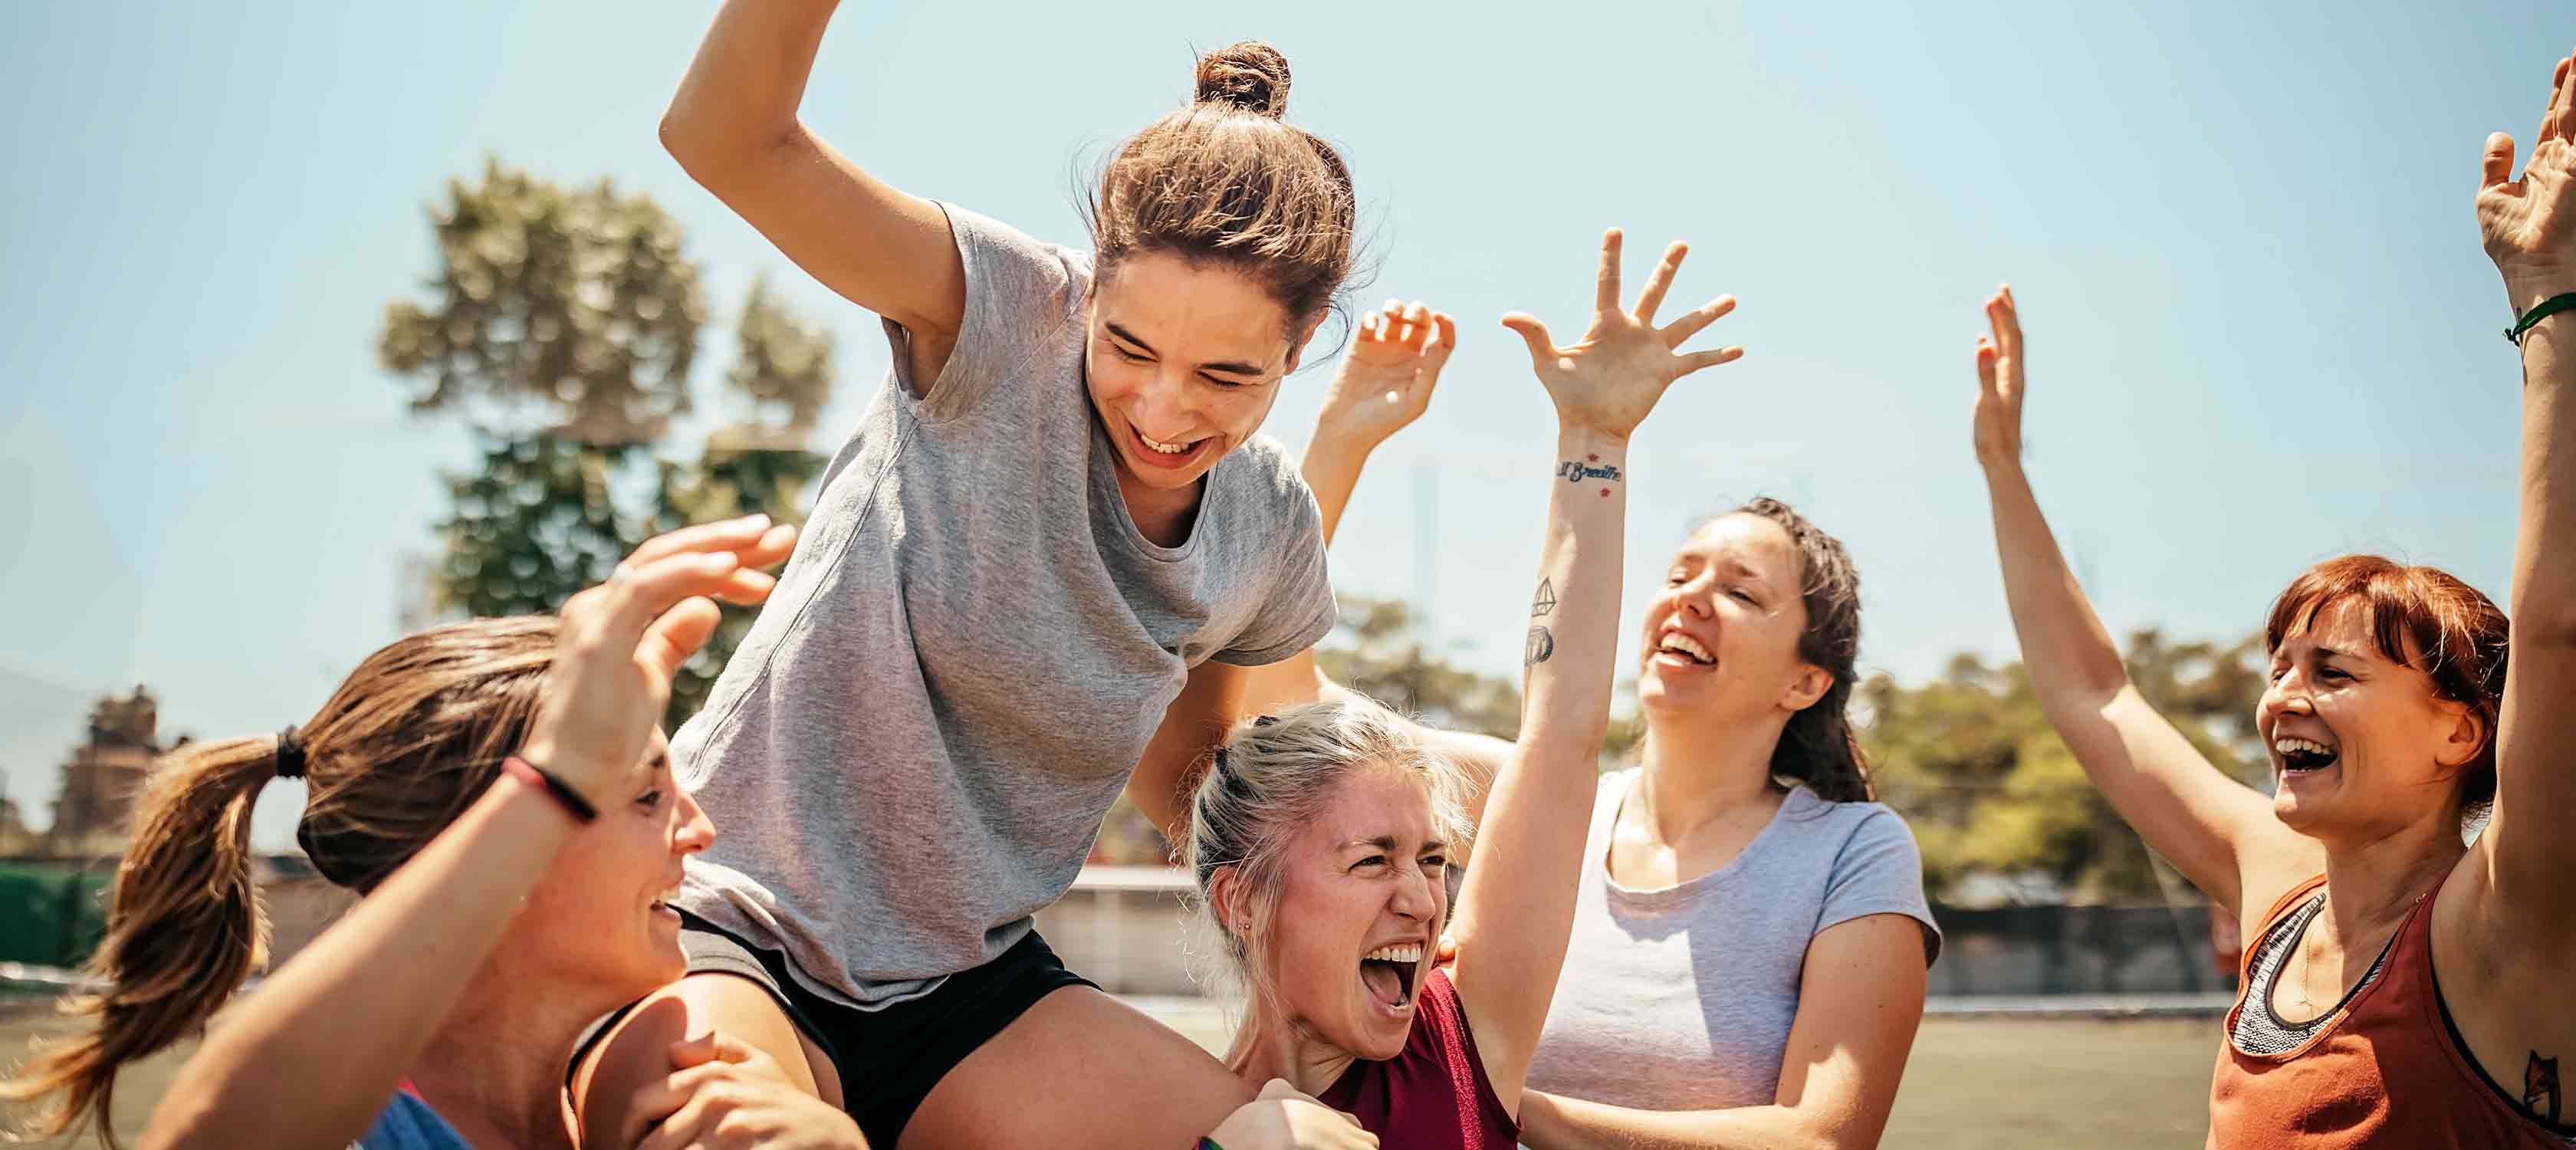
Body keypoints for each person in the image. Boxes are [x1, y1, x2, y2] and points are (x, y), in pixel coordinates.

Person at [596, 3, 1393, 1145]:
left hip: (968, 989)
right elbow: (727, 138)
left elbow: (1200, 784)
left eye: (1226, 375)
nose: (1165, 410)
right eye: (1127, 348)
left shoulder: (1264, 526)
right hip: (745, 925)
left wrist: (1417, 852)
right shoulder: (1002, 318)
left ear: (1301, 343)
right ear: (1087, 292)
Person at [1969, 51, 2576, 1146]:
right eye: (2281, 667)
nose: (2283, 698)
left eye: (2333, 671)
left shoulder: (2505, 925)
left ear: (2458, 730)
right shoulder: (2280, 883)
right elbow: (2096, 697)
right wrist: (2005, 473)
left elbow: (2557, 630)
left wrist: (2548, 303)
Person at [1231, 298, 1939, 1150]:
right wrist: (1344, 434)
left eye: (1740, 592)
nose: (1689, 598)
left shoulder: (1852, 851)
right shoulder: (1524, 797)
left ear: (1805, 681)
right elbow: (1285, 708)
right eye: (1680, 573)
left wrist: (1493, 1099)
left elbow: (1825, 1140)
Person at [0, 518, 864, 1149]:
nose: (700, 832)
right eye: (645, 798)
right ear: (491, 844)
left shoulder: (659, 1121)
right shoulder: (357, 1133)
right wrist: (557, 773)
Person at [1171, 228, 1746, 1148]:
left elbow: (1560, 734)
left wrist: (1594, 440)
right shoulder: (1168, 1112)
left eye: (1433, 861)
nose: (1423, 901)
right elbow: (1270, 668)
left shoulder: (1459, 1039)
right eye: (1374, 859)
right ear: (1244, 900)